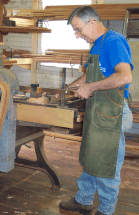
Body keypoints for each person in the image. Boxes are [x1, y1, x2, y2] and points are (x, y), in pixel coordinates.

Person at [59, 6, 133, 215]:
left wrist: (89, 88)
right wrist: (70, 87)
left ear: (92, 22)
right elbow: (91, 75)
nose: (78, 35)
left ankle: (106, 210)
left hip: (112, 113)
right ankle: (83, 200)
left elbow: (124, 76)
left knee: (106, 163)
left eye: (78, 29)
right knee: (91, 157)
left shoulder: (113, 41)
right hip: (98, 110)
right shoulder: (96, 45)